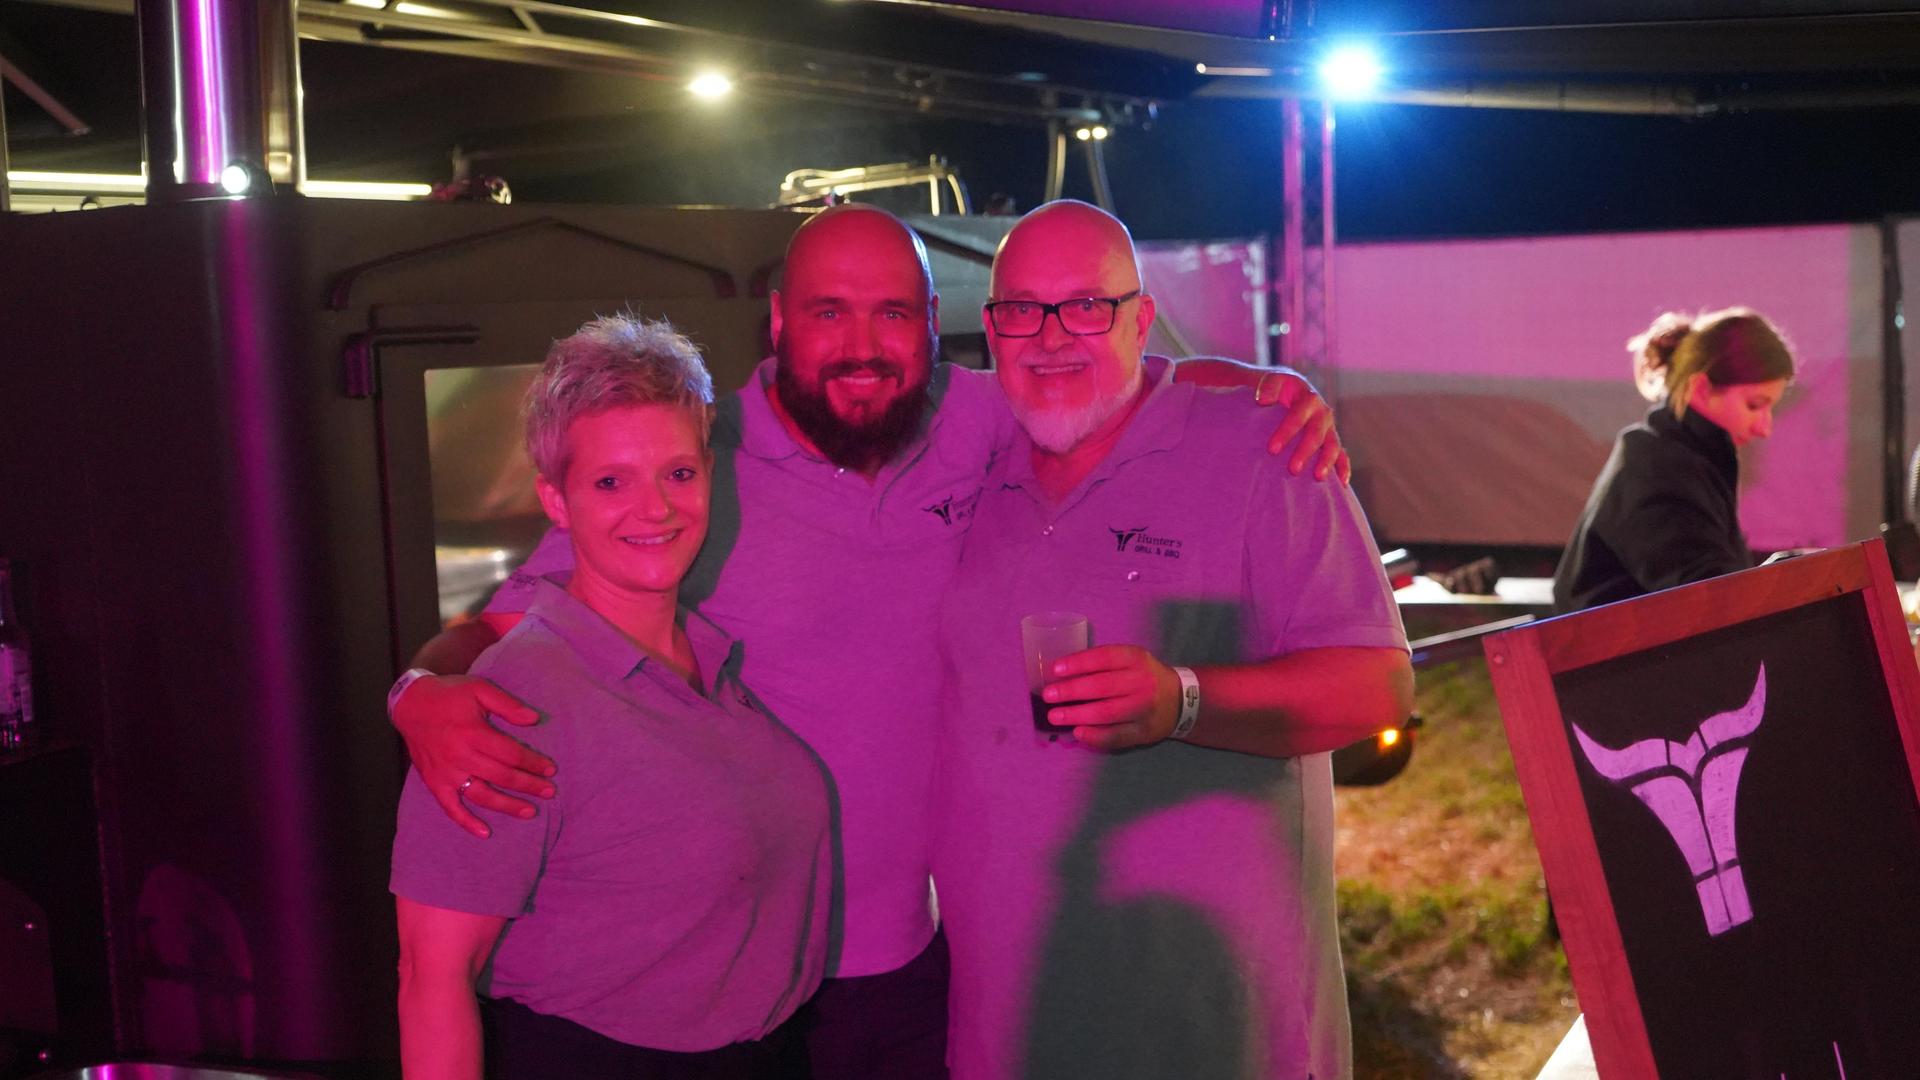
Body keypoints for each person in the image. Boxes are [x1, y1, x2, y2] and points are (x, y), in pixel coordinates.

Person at [388, 205, 1350, 1078]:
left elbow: (1109, 378)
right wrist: (417, 695)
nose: (863, 345)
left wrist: (1261, 389)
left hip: (916, 961)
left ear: (937, 325)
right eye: (829, 312)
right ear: (777, 321)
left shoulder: (978, 421)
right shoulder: (688, 465)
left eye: (894, 314)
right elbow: (496, 629)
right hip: (733, 977)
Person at [931, 200, 1414, 1080]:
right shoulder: (970, 457)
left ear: (1142, 318)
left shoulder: (1266, 451)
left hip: (1212, 1022)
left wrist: (1183, 699)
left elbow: (1378, 689)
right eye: (1019, 312)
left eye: (1087, 306)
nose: (1050, 338)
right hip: (1011, 1019)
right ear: (988, 329)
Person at [391, 315, 832, 1079]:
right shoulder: (515, 703)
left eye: (679, 473)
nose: (655, 508)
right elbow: (431, 979)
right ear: (556, 502)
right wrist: (415, 689)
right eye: (610, 481)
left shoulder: (709, 660)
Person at [1552, 308, 1796, 614]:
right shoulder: (1657, 469)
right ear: (1702, 388)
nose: (1764, 427)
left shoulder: (1678, 457)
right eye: (1754, 405)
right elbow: (1710, 601)